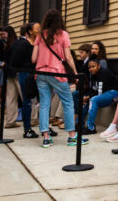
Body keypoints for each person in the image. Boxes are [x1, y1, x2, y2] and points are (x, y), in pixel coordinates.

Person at [31, 9, 87, 149]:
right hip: (57, 73)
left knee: (44, 104)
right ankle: (72, 136)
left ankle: (46, 137)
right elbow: (68, 57)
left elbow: (33, 58)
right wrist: (74, 72)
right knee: (67, 102)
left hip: (41, 73)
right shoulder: (63, 35)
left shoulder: (40, 35)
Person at [7, 23, 41, 138]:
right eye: (37, 28)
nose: (39, 30)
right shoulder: (24, 44)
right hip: (25, 74)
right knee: (26, 102)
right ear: (30, 31)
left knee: (37, 101)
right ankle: (27, 129)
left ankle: (43, 127)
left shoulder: (38, 43)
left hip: (36, 74)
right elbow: (15, 61)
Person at [81, 58, 118, 134]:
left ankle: (91, 128)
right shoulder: (92, 75)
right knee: (85, 100)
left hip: (113, 93)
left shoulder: (103, 73)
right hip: (103, 95)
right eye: (89, 67)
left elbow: (99, 92)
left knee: (93, 100)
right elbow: (93, 90)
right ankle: (80, 125)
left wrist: (89, 97)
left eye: (93, 66)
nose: (91, 69)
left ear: (98, 66)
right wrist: (87, 97)